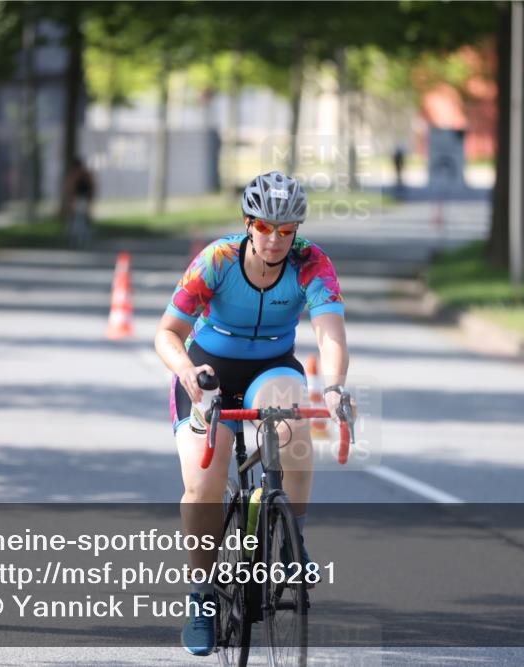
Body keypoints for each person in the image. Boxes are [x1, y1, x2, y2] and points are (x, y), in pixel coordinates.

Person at [154, 171, 351, 656]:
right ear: (248, 223)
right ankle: (201, 597)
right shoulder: (218, 259)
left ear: (297, 230)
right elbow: (167, 332)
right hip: (209, 370)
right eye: (264, 227)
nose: (274, 239)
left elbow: (329, 333)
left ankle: (292, 539)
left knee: (294, 423)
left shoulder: (311, 263)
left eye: (286, 230)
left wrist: (334, 388)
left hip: (271, 367)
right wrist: (187, 372)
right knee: (203, 484)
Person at [63, 157, 96, 234]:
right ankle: (77, 232)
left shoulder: (82, 175)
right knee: (78, 217)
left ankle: (81, 232)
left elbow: (91, 187)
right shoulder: (80, 175)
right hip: (79, 199)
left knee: (81, 217)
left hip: (81, 199)